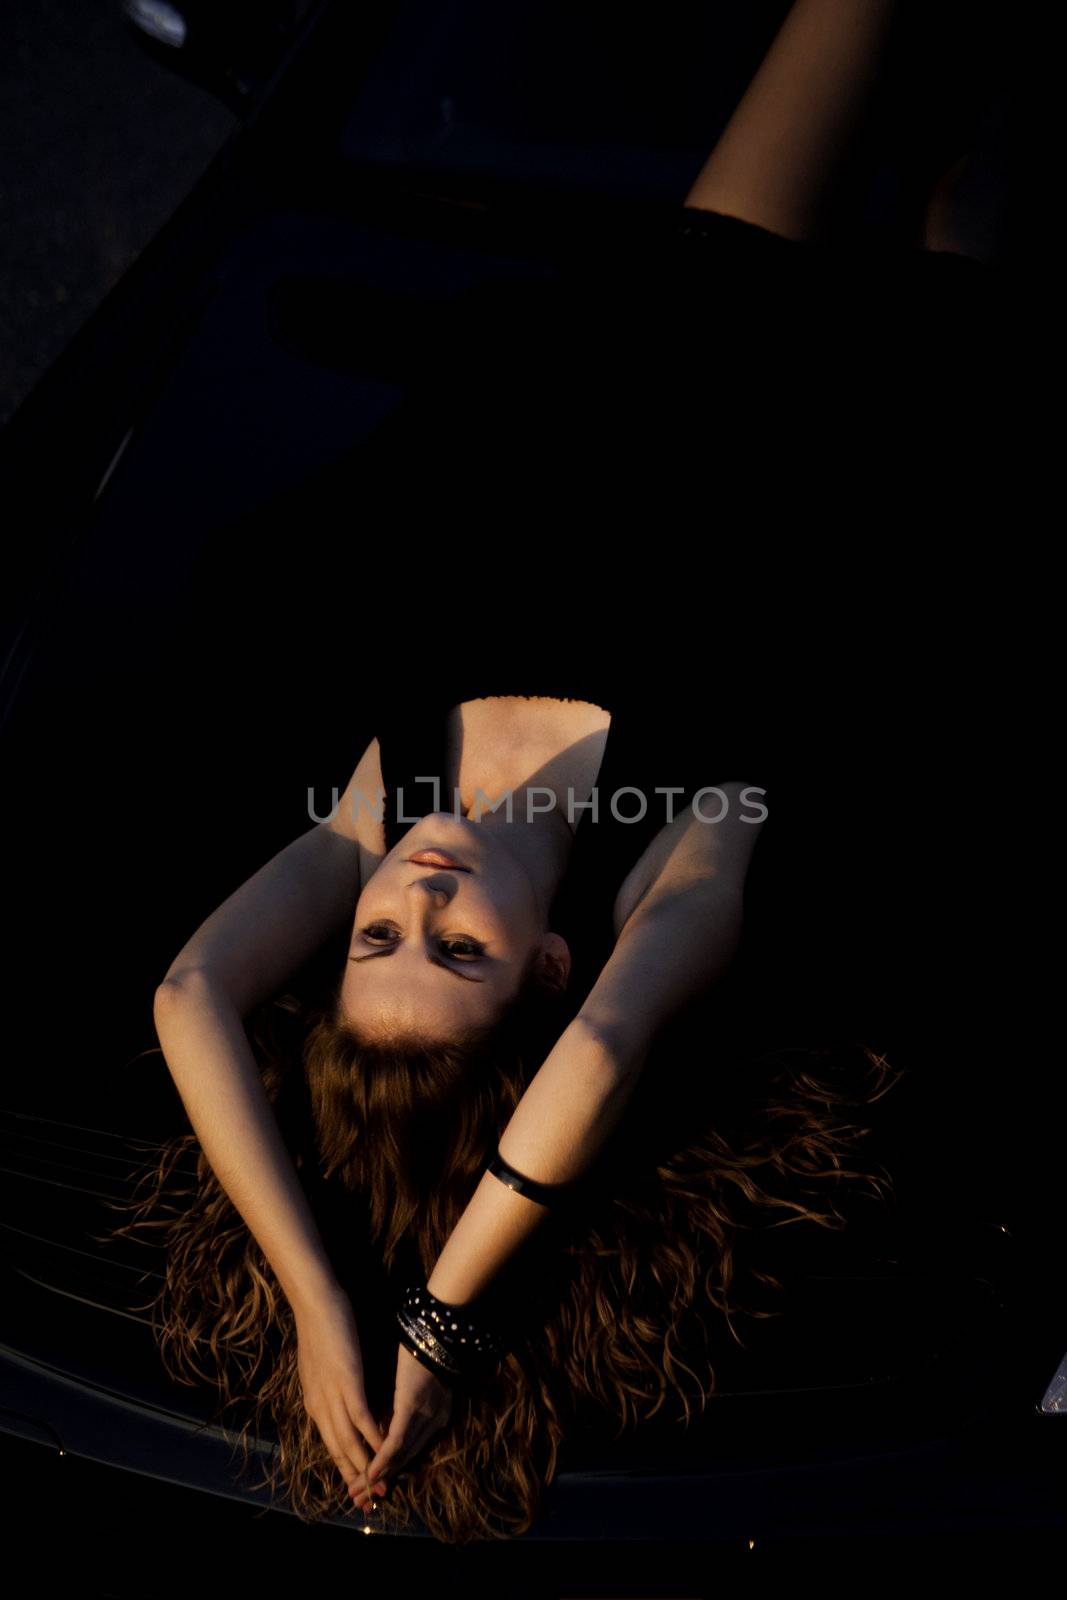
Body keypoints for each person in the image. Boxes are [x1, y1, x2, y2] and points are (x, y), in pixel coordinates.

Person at [109, 0, 999, 1540]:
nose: (419, 897)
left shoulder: (381, 796)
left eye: (377, 934)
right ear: (557, 965)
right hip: (926, 371)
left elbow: (190, 994)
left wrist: (319, 1290)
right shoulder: (691, 849)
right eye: (459, 953)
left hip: (713, 290)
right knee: (998, 115)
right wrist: (439, 1319)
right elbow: (597, 1061)